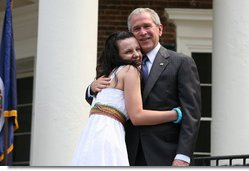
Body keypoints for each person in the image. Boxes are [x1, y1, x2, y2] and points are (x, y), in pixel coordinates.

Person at [86, 8, 201, 166]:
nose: (142, 32)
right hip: (126, 151)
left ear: (159, 29)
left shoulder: (181, 62)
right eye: (136, 29)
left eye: (147, 26)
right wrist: (91, 89)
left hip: (166, 154)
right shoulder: (120, 64)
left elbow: (191, 114)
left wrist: (183, 155)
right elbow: (107, 102)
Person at [72, 31, 182, 166]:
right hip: (109, 133)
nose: (136, 54)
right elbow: (137, 116)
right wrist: (175, 114)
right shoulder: (130, 70)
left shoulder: (111, 73)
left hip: (91, 133)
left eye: (137, 49)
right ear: (117, 55)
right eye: (128, 52)